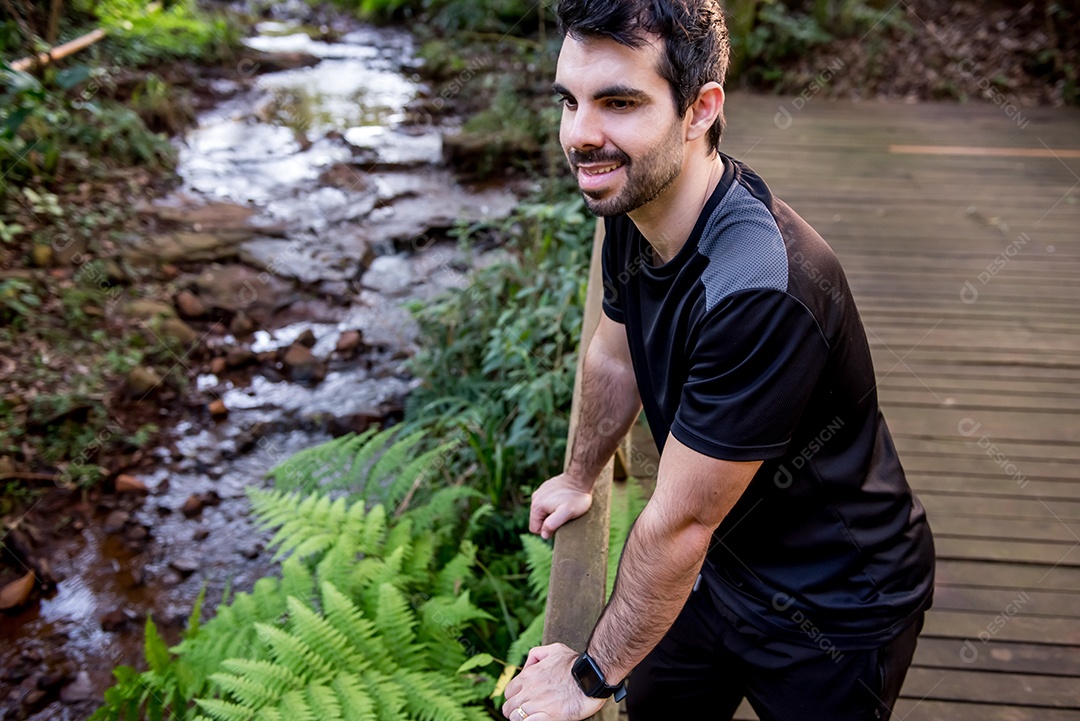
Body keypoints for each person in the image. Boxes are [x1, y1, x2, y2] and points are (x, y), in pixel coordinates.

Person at [500, 1, 936, 720]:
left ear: (700, 109)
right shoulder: (633, 204)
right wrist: (580, 477)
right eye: (569, 101)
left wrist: (585, 678)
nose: (581, 135)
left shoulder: (761, 285)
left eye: (619, 102)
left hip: (834, 601)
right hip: (716, 571)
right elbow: (613, 360)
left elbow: (677, 526)